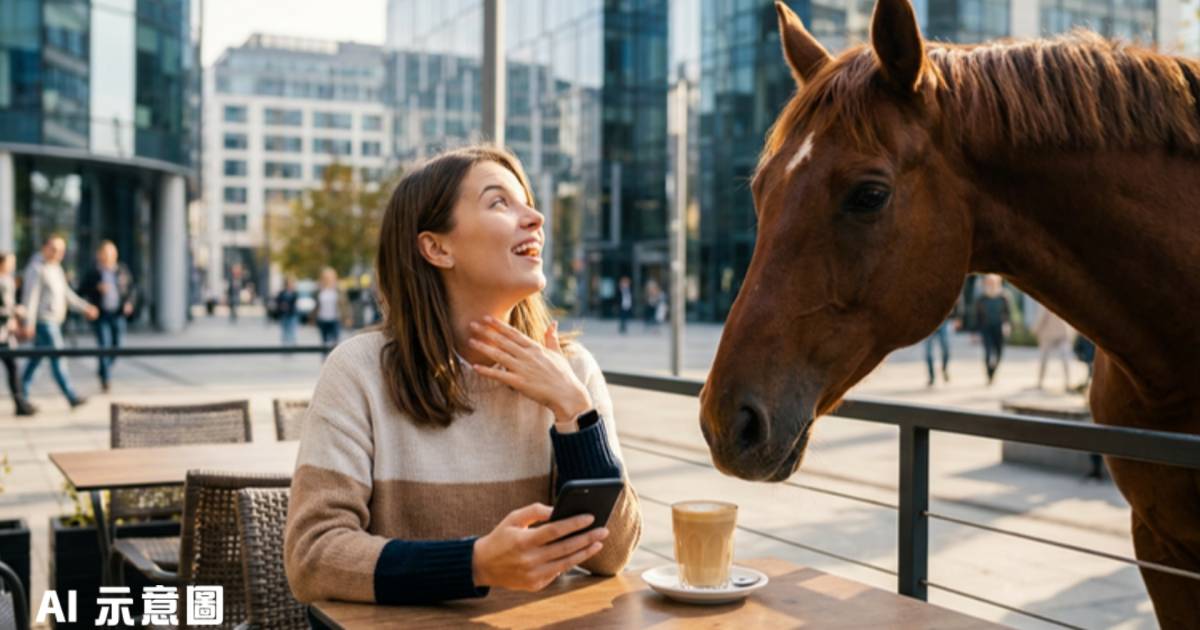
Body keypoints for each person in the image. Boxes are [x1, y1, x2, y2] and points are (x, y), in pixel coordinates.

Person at [283, 146, 641, 610]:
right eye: (499, 203)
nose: (535, 218)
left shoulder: (571, 371)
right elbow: (312, 556)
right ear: (436, 247)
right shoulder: (359, 371)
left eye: (527, 202)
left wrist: (574, 411)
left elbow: (612, 556)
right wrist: (473, 564)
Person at [21, 235, 99, 408]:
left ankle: (21, 395)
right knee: (58, 358)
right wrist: (28, 323)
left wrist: (85, 307)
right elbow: (30, 298)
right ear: (45, 248)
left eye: (62, 250)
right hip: (44, 322)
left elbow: (67, 294)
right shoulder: (36, 268)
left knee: (36, 361)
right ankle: (70, 396)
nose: (59, 254)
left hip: (55, 321)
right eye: (55, 249)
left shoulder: (56, 268)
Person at [81, 241, 138, 393]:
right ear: (99, 255)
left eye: (111, 254)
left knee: (118, 346)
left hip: (117, 314)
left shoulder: (122, 269)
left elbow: (132, 289)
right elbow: (81, 290)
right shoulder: (93, 272)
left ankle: (103, 368)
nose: (108, 257)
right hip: (101, 315)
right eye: (105, 253)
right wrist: (96, 288)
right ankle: (105, 378)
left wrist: (129, 303)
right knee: (103, 345)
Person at [0, 253, 35, 416]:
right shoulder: (3, 282)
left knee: (13, 368)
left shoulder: (7, 280)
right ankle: (20, 403)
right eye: (10, 262)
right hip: (3, 333)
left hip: (5, 333)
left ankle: (20, 403)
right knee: (13, 368)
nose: (13, 265)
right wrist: (15, 311)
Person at [973, 274, 1011, 386]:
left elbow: (1008, 314)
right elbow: (977, 316)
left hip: (999, 328)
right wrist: (975, 332)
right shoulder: (981, 298)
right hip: (986, 328)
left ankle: (993, 371)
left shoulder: (1004, 296)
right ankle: (989, 374)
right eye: (989, 282)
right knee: (988, 352)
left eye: (993, 282)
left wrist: (1007, 325)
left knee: (999, 354)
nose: (991, 285)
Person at [1032, 305, 1072, 391]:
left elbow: (1040, 318)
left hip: (1059, 334)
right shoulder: (1046, 303)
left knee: (1048, 359)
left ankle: (1041, 382)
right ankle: (1040, 382)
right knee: (1047, 359)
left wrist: (1035, 331)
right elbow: (1041, 317)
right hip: (1051, 334)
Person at [313, 267, 349, 350]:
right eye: (326, 277)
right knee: (324, 343)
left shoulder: (338, 289)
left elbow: (345, 304)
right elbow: (316, 305)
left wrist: (347, 317)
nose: (328, 279)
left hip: (335, 319)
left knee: (335, 344)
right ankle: (325, 360)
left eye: (330, 277)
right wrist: (313, 318)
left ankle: (335, 361)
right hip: (323, 319)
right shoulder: (320, 290)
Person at [275, 277, 300, 346]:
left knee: (292, 330)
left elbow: (295, 303)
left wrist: (288, 306)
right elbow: (278, 301)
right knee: (284, 331)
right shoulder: (282, 293)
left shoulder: (294, 293)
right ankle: (285, 345)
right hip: (284, 314)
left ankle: (292, 344)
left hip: (292, 314)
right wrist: (281, 306)